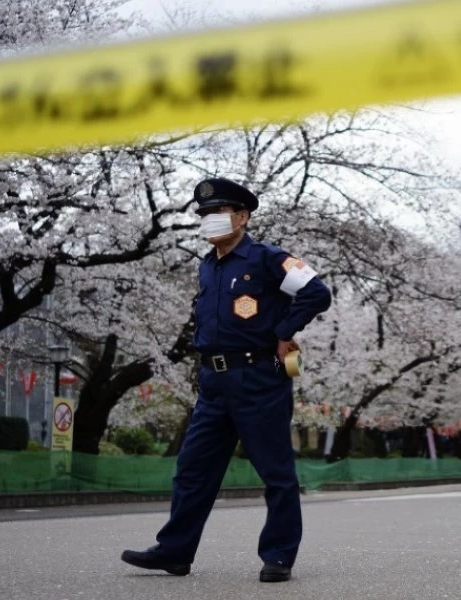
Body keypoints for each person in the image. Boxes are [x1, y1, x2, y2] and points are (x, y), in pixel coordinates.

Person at [121, 177, 332, 583]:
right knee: (192, 469)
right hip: (213, 382)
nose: (210, 221)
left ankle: (278, 555)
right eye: (204, 214)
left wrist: (284, 331)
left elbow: (316, 293)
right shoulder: (208, 265)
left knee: (275, 472)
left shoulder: (267, 259)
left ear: (242, 216)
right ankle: (175, 551)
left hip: (259, 379)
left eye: (218, 213)